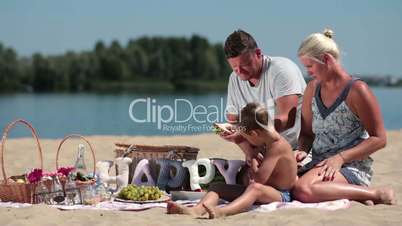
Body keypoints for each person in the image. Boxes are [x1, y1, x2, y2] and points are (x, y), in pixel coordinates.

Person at [292, 28, 396, 205]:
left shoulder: (357, 91)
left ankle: (375, 193)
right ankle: (356, 195)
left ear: (326, 59)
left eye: (310, 66)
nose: (308, 72)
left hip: (350, 167)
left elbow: (379, 139)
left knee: (303, 190)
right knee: (282, 181)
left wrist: (340, 158)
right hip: (318, 165)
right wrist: (301, 151)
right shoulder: (312, 89)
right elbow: (307, 134)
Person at [167, 103, 298, 218]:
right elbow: (219, 127)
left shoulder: (277, 147)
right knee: (217, 187)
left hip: (281, 194)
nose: (248, 141)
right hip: (265, 189)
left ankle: (223, 212)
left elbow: (258, 180)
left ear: (254, 134)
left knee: (255, 188)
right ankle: (197, 210)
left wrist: (252, 158)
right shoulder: (265, 140)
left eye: (247, 137)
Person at [222, 29, 306, 150]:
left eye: (245, 64)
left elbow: (287, 119)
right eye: (234, 67)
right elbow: (234, 120)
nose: (239, 71)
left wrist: (247, 133)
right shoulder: (234, 78)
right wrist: (250, 152)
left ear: (258, 53)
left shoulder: (281, 70)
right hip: (262, 149)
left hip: (296, 148)